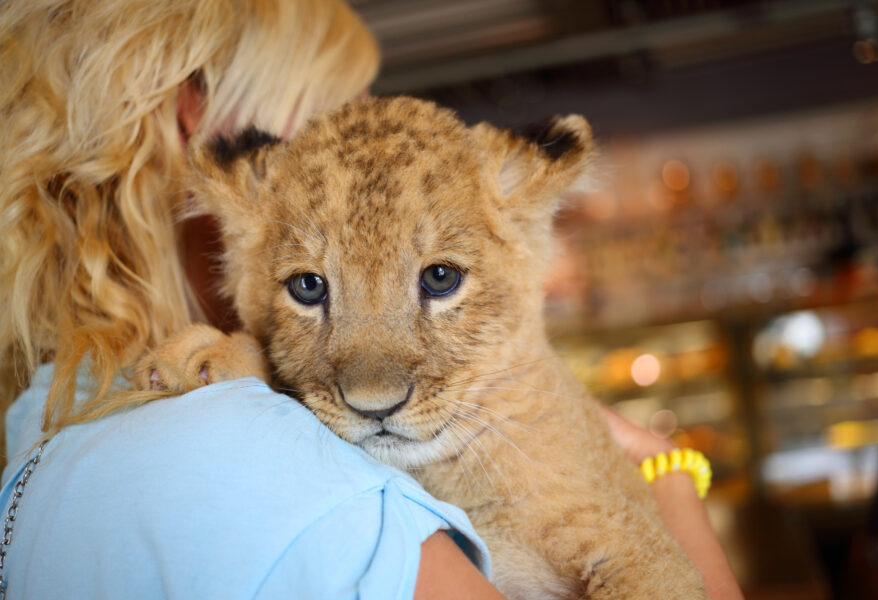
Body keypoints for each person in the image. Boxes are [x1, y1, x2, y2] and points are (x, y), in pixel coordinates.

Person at [0, 1, 741, 598]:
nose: (369, 139)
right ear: (197, 120)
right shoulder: (238, 447)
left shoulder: (42, 418)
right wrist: (671, 480)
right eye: (331, 113)